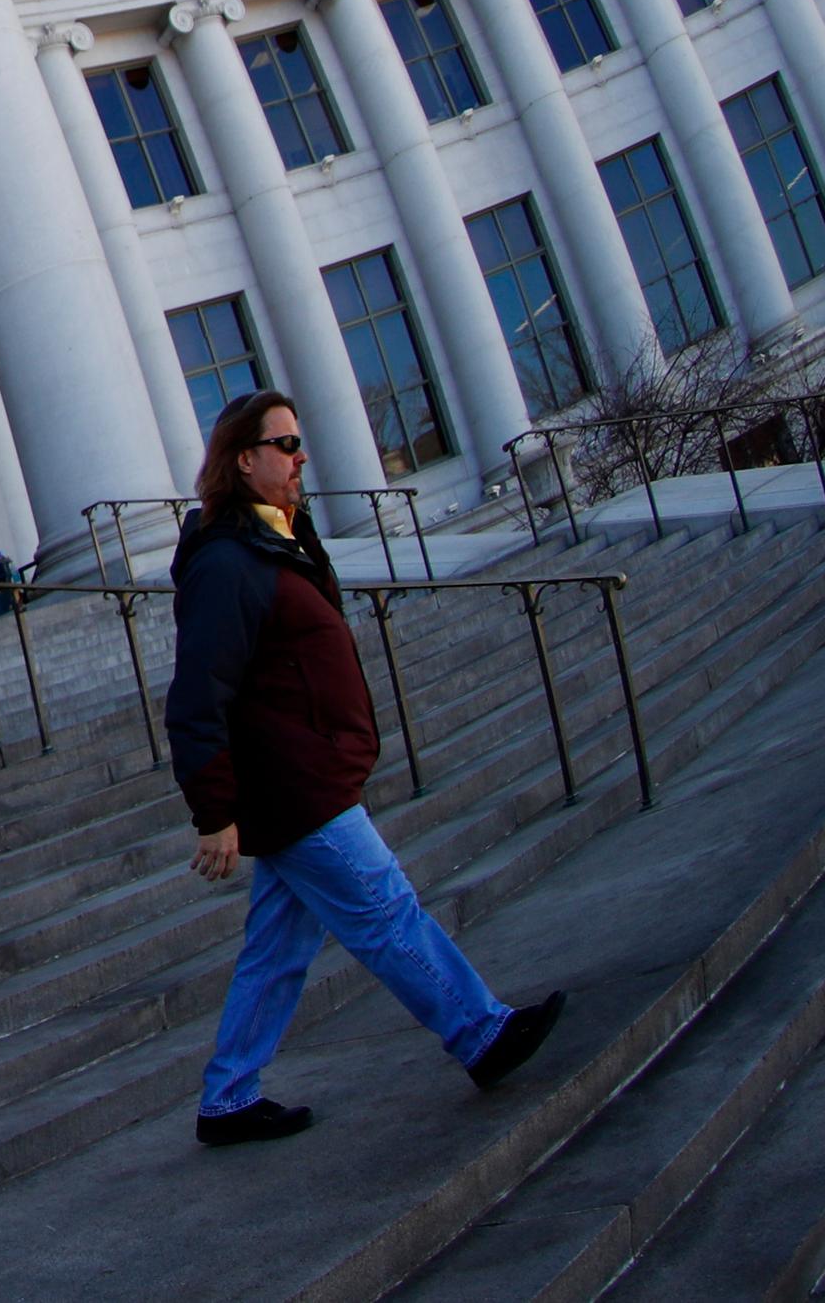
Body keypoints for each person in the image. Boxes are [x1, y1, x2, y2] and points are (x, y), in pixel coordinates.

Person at [166, 388, 565, 1145]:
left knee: (277, 947)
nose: (300, 455)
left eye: (298, 441)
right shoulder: (227, 561)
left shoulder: (272, 539)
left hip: (304, 775)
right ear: (242, 459)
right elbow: (196, 696)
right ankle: (480, 1033)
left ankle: (226, 1097)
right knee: (386, 909)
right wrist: (214, 810)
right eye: (283, 444)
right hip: (296, 785)